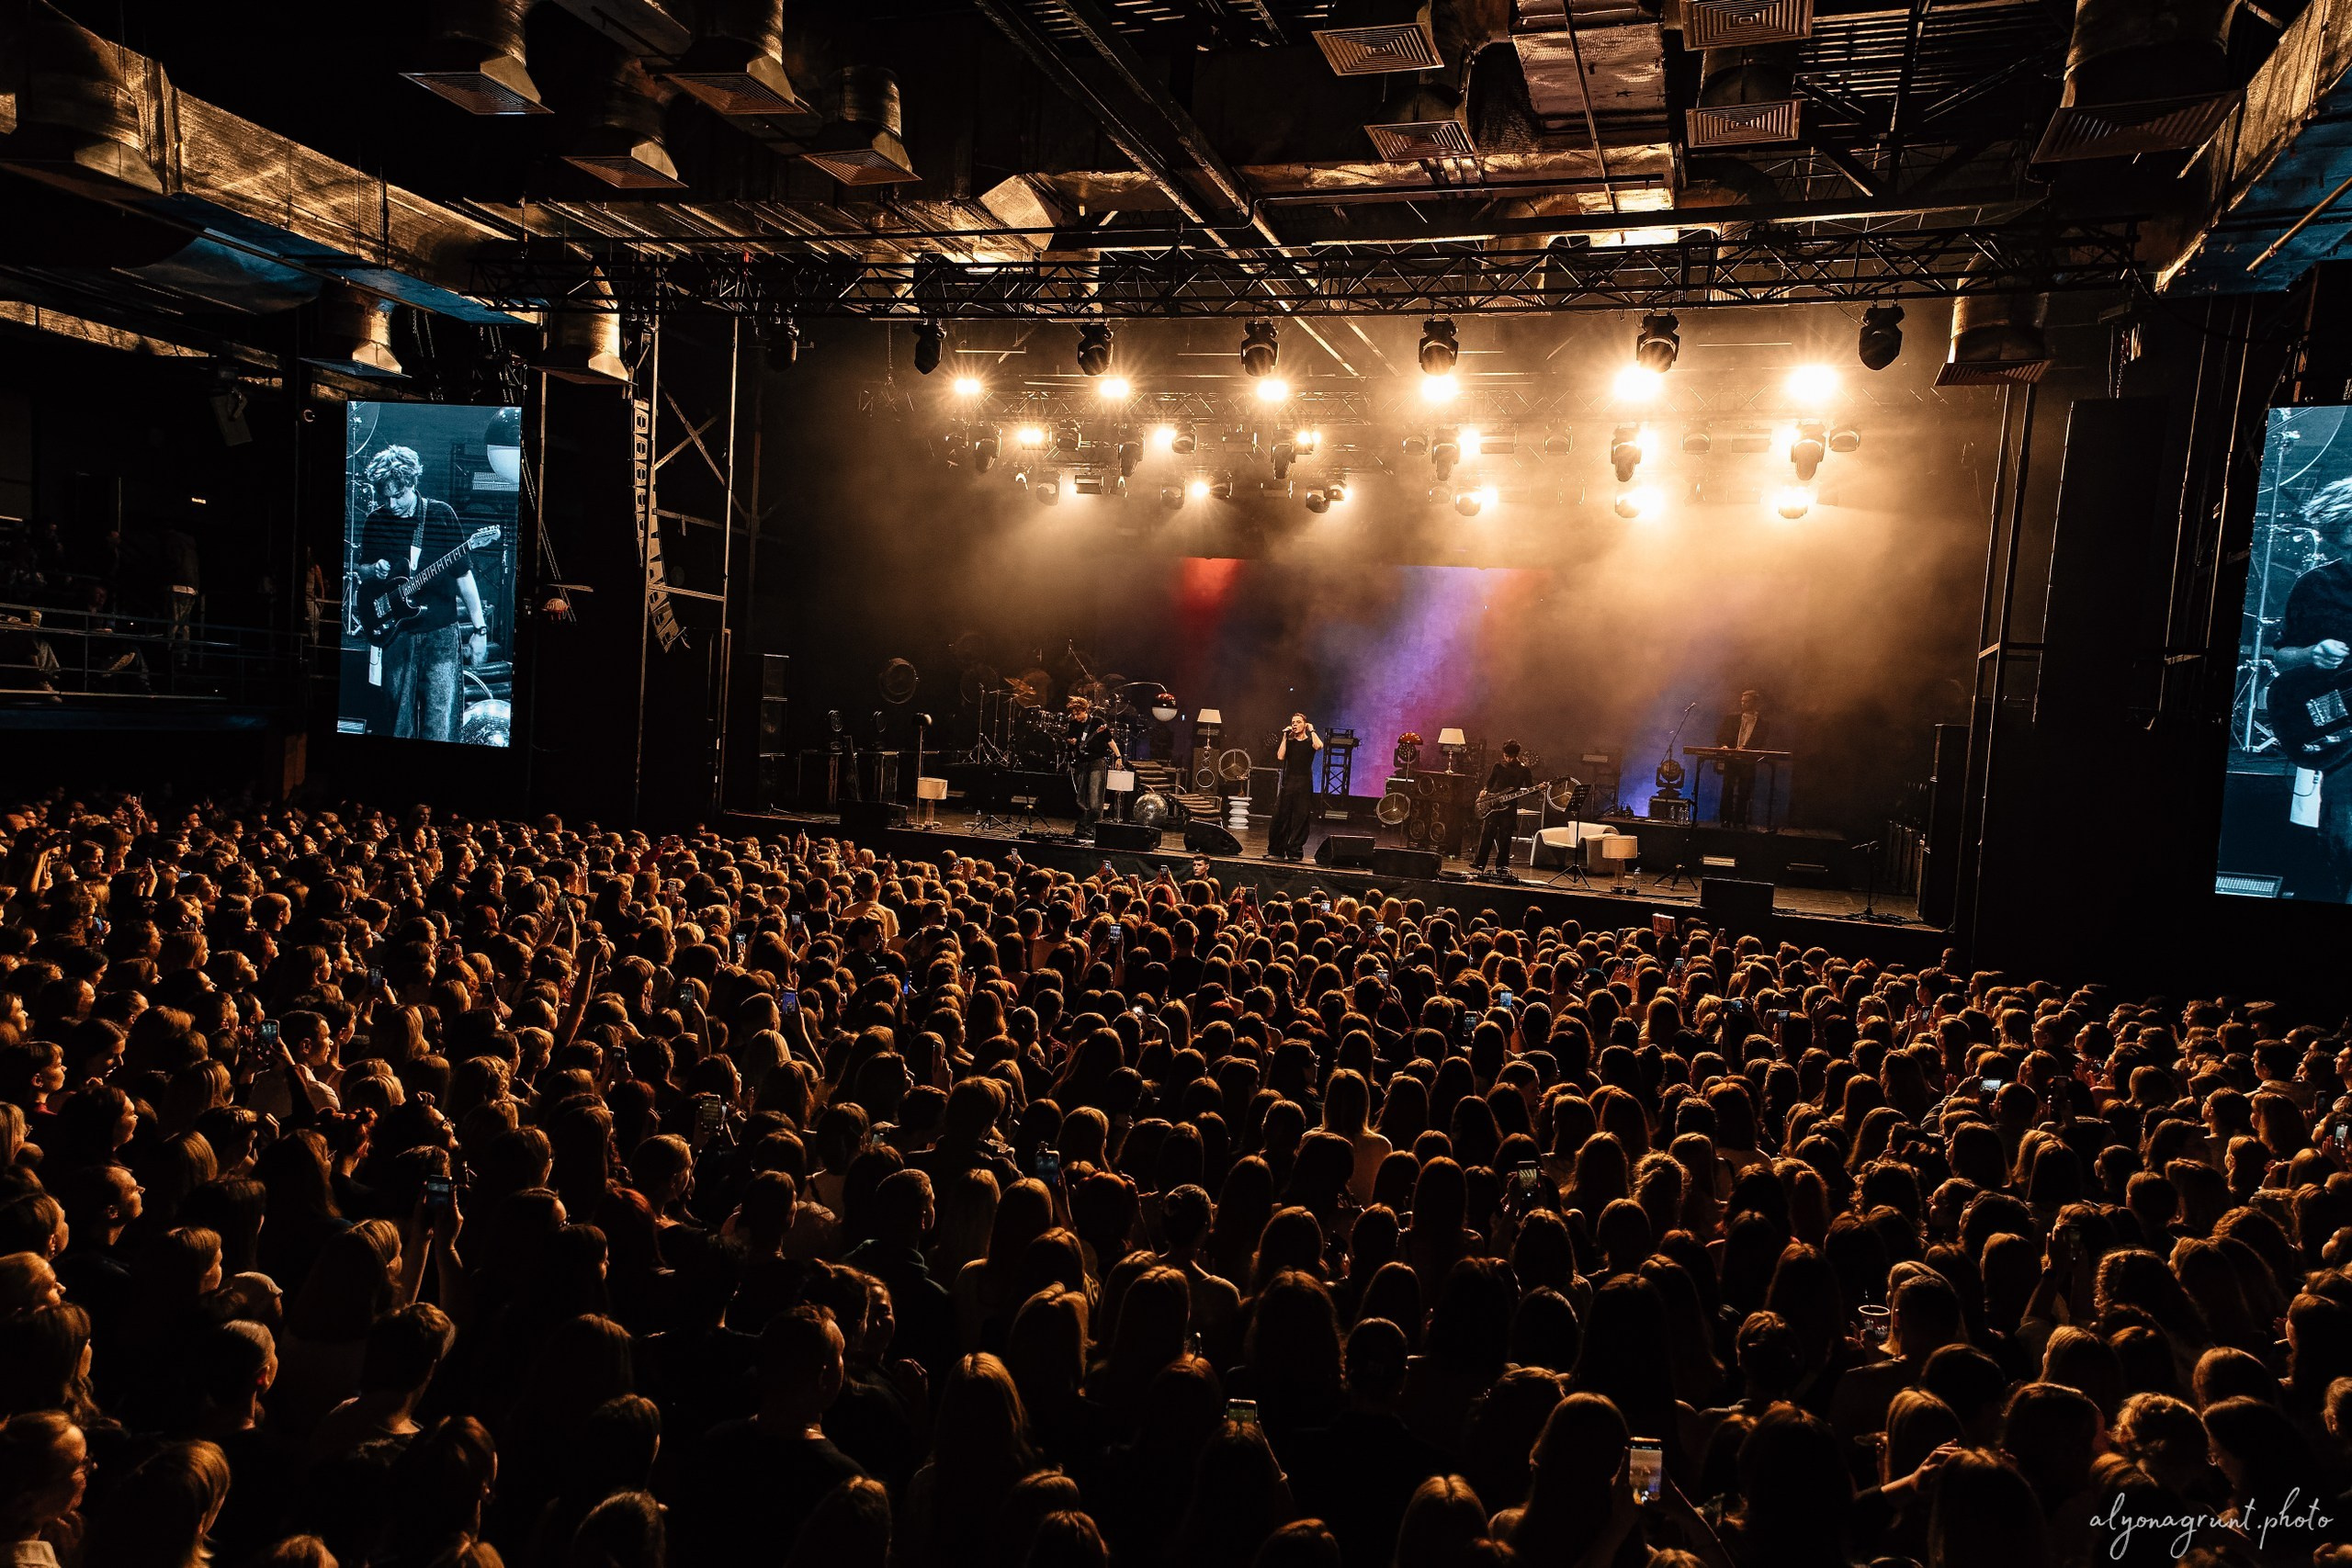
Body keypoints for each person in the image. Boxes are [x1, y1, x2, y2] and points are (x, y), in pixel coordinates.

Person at [356, 444, 488, 743]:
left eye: (398, 495)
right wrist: (372, 569)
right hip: (396, 634)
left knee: (440, 724)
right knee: (397, 724)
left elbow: (463, 575)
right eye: (385, 497)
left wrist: (479, 629)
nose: (392, 504)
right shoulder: (376, 520)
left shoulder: (440, 514)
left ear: (413, 482)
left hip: (440, 633)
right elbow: (361, 569)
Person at [1469, 741, 1532, 875]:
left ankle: (1502, 867)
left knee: (1505, 837)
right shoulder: (1498, 766)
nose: (1508, 759)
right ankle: (1479, 863)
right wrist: (1485, 790)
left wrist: (1540, 788)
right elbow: (1490, 782)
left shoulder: (1524, 770)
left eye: (1511, 757)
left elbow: (1530, 789)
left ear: (1516, 755)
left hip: (1509, 808)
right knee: (1487, 834)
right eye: (1506, 756)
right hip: (1493, 804)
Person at [1268, 714, 1323, 862]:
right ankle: (1276, 850)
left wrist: (1312, 730)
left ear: (1305, 724)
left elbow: (1319, 746)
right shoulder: (1290, 742)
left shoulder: (1310, 741)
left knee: (1300, 818)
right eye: (1293, 722)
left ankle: (1294, 851)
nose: (1294, 724)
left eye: (1298, 722)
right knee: (1280, 816)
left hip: (1304, 784)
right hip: (1289, 783)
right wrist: (1285, 737)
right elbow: (1280, 756)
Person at [1713, 689, 1770, 828]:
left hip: (1747, 761)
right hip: (1731, 758)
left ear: (1755, 703)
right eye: (1742, 701)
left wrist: (1747, 749)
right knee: (1727, 789)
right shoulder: (1731, 718)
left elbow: (1760, 741)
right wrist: (1724, 746)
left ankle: (1740, 820)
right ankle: (1725, 819)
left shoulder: (1763, 723)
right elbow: (1721, 736)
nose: (1743, 704)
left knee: (1744, 791)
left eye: (1747, 701)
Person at [1067, 697, 1123, 839]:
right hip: (1081, 762)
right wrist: (1072, 742)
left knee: (1095, 797)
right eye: (1074, 714)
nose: (1076, 717)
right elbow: (1071, 742)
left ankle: (1092, 828)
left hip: (1097, 761)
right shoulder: (1073, 724)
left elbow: (1110, 741)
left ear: (1086, 710)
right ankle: (1082, 828)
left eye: (1078, 714)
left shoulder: (1098, 723)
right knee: (1081, 799)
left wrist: (1118, 756)